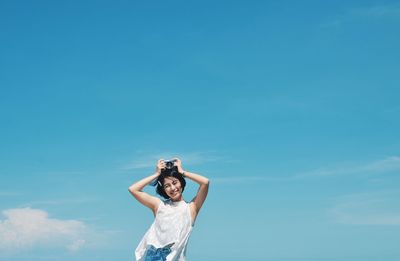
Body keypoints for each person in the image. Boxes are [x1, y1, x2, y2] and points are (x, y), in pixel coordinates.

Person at [128, 158, 210, 261]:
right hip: (152, 256)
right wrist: (157, 174)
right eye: (167, 185)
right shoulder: (159, 205)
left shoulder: (191, 208)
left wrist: (182, 172)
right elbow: (133, 189)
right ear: (163, 189)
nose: (172, 188)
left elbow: (205, 182)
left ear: (181, 182)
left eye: (175, 182)